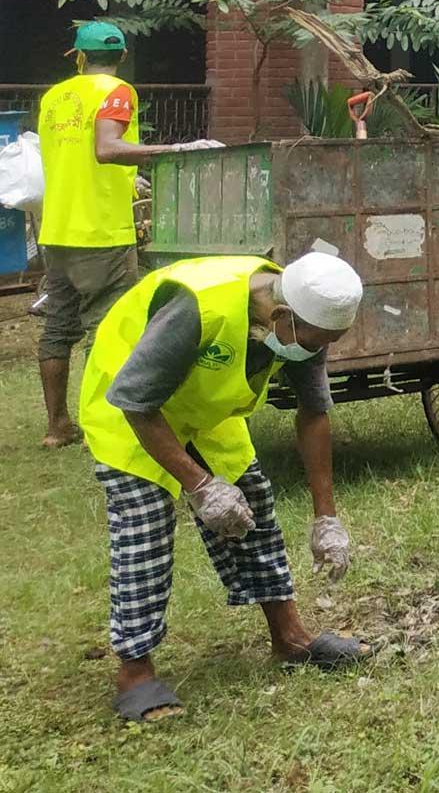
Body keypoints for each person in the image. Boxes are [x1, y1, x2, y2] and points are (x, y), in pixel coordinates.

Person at [77, 251, 367, 722]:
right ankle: (136, 672)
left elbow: (313, 413)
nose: (319, 351)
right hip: (128, 407)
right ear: (280, 317)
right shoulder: (199, 308)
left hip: (201, 410)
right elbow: (137, 401)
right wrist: (200, 486)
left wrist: (326, 517)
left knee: (252, 503)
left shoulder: (307, 312)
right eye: (318, 342)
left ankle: (290, 638)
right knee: (145, 529)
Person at [33, 20, 218, 449]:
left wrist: (129, 180)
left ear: (78, 56)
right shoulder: (118, 92)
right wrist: (177, 150)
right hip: (100, 232)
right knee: (109, 327)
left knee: (58, 327)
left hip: (57, 228)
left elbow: (74, 156)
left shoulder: (54, 97)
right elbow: (106, 148)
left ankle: (58, 426)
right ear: (121, 57)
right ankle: (112, 424)